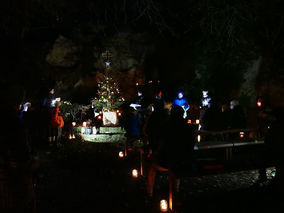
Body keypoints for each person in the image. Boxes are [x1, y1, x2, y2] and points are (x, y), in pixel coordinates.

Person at [146, 105, 196, 197]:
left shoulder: (167, 126)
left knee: (152, 167)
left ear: (171, 114)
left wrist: (155, 154)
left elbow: (161, 143)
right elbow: (192, 144)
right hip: (185, 160)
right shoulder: (189, 128)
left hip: (168, 161)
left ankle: (149, 193)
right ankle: (175, 190)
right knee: (177, 164)